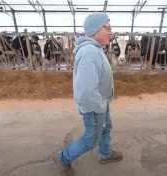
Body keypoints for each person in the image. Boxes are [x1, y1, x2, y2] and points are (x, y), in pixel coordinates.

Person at [52, 12, 123, 176]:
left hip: (100, 102)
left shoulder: (94, 49)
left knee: (106, 128)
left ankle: (105, 154)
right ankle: (63, 158)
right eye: (108, 28)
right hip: (94, 106)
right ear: (96, 30)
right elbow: (85, 91)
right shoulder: (90, 53)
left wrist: (103, 102)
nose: (111, 32)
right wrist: (100, 106)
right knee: (90, 140)